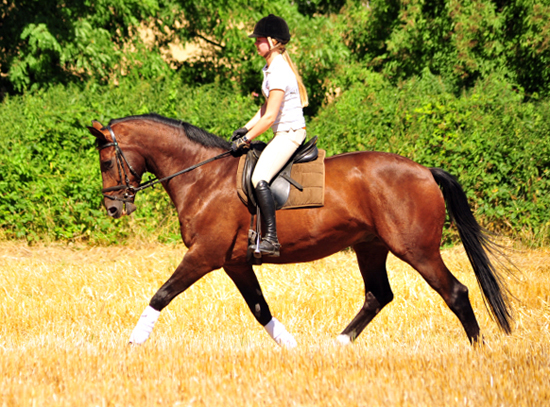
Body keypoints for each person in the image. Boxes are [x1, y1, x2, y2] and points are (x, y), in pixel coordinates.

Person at [231, 14, 309, 257]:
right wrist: (244, 128)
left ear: (274, 41)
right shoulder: (271, 68)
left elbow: (270, 117)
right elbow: (264, 109)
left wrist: (247, 140)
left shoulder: (279, 72)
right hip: (281, 132)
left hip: (290, 134)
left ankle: (271, 240)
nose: (256, 43)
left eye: (259, 39)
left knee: (259, 178)